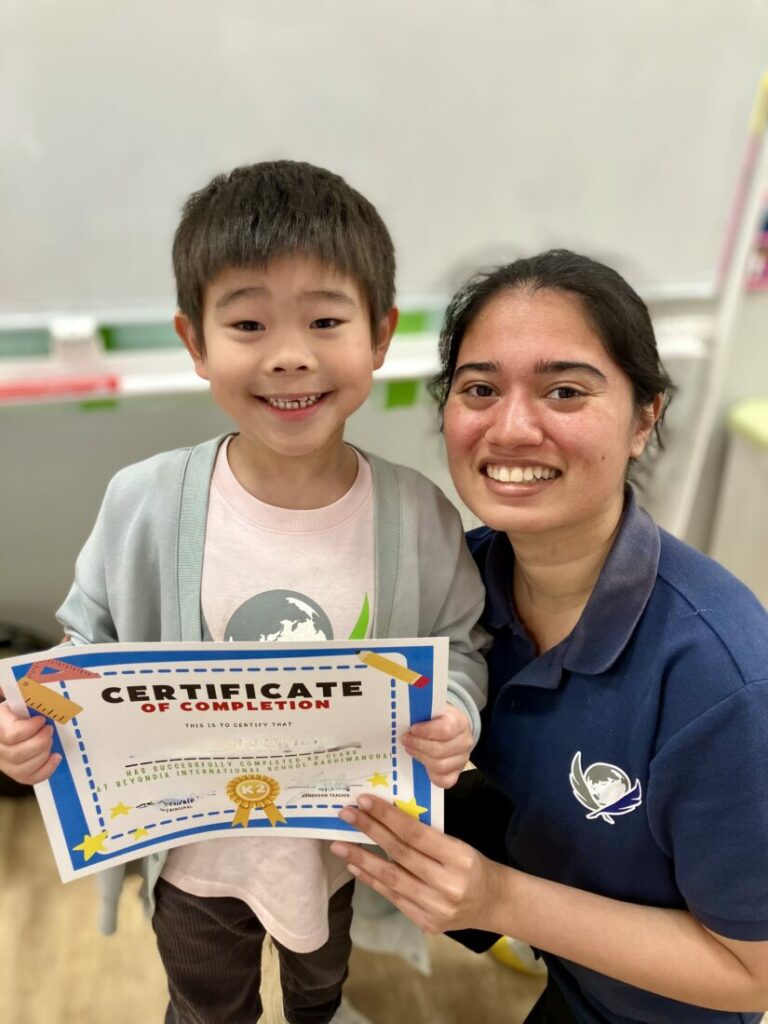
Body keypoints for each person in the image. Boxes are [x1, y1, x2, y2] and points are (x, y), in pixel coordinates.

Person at [0, 161, 488, 1024]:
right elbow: (82, 649)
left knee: (319, 987)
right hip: (193, 856)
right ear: (195, 343)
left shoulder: (418, 515)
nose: (290, 354)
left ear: (379, 335)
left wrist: (454, 714)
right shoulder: (144, 503)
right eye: (249, 323)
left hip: (338, 847)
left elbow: (460, 644)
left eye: (326, 320)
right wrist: (32, 721)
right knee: (206, 1003)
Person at [330, 250, 768, 1024]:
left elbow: (754, 973)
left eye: (565, 391)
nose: (512, 428)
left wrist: (498, 899)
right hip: (570, 977)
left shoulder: (721, 678)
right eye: (480, 389)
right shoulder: (454, 584)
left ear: (644, 419)